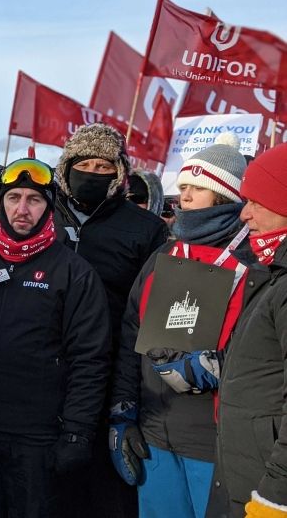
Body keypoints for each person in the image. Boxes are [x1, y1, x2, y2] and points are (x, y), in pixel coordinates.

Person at [0, 158, 109, 517]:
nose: (22, 209)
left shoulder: (73, 272)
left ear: (49, 207)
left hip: (37, 438)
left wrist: (77, 432)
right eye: (13, 197)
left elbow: (90, 359)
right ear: (2, 202)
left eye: (34, 200)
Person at [111, 140, 250, 518]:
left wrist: (219, 365)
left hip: (216, 444)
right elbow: (130, 339)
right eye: (183, 186)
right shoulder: (163, 257)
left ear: (225, 195)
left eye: (197, 188)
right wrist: (123, 411)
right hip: (155, 435)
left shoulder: (252, 265)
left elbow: (262, 352)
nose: (184, 196)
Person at [53, 123, 169, 518]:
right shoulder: (40, 216)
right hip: (46, 372)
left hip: (113, 372)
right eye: (83, 163)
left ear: (119, 172)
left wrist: (127, 397)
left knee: (106, 493)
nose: (92, 172)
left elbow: (150, 317)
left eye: (103, 166)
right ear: (66, 167)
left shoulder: (146, 229)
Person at [215, 143, 287, 517]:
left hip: (266, 489)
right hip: (243, 473)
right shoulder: (270, 273)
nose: (244, 214)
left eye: (257, 202)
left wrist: (276, 498)